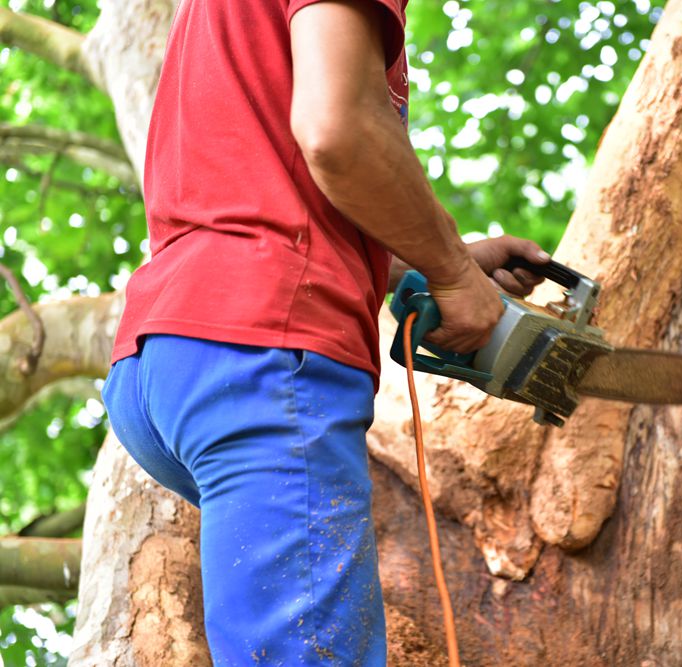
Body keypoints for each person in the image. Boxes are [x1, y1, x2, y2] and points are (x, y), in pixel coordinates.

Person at [101, 0, 549, 664]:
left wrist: (442, 257)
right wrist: (452, 271)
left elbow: (283, 191)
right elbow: (336, 130)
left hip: (165, 358)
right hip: (262, 353)